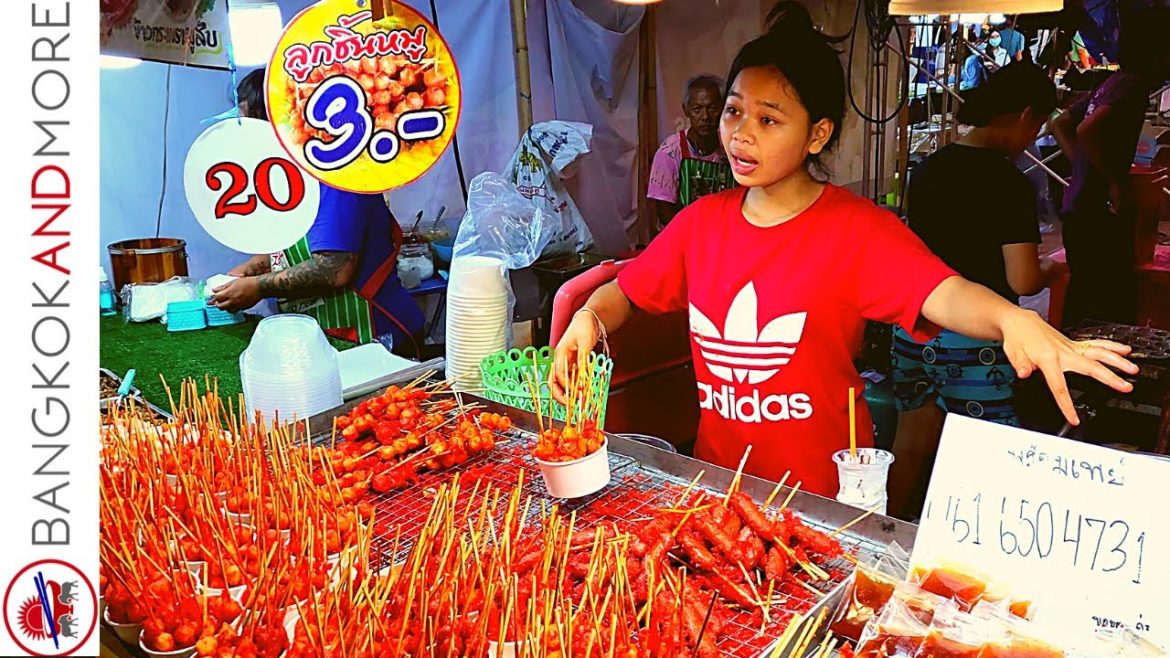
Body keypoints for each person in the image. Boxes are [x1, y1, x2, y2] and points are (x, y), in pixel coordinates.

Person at [551, 2, 1136, 499]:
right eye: (734, 110)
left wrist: (1012, 320)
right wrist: (587, 320)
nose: (741, 133)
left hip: (823, 497)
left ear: (818, 134)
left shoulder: (855, 229)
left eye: (769, 119)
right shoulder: (699, 225)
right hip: (721, 490)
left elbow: (944, 293)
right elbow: (624, 293)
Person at [888, 63, 1064, 519]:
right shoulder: (1008, 182)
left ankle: (884, 530)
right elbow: (1022, 279)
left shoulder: (928, 168)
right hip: (975, 344)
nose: (1032, 138)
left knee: (909, 445)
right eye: (1037, 126)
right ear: (1025, 115)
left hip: (915, 328)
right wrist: (1051, 268)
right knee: (988, 457)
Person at [211, 69, 426, 357]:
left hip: (375, 336)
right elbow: (297, 245)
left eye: (251, 125)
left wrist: (257, 287)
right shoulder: (291, 176)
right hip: (324, 336)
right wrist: (251, 268)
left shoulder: (336, 174)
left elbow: (334, 268)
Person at [1047, 7, 1170, 325]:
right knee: (1109, 299)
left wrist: (1082, 165)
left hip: (1080, 206)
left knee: (1085, 293)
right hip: (1098, 210)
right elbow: (1087, 129)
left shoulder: (1112, 82)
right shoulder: (1132, 86)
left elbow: (1060, 123)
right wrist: (1111, 179)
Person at [647, 74, 735, 232]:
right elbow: (664, 212)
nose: (705, 117)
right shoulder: (670, 152)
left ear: (723, 108)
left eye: (712, 108)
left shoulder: (732, 148)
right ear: (686, 110)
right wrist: (699, 234)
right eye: (697, 109)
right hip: (682, 236)